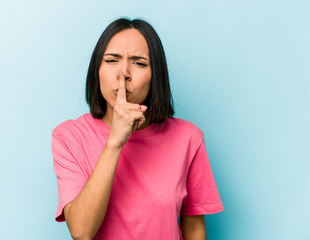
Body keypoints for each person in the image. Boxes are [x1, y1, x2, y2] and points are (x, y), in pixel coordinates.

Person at [51, 17, 224, 240]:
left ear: (156, 77)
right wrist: (115, 141)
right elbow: (81, 232)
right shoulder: (69, 137)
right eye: (111, 60)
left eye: (139, 63)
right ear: (97, 70)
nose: (123, 73)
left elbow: (194, 227)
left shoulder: (188, 138)